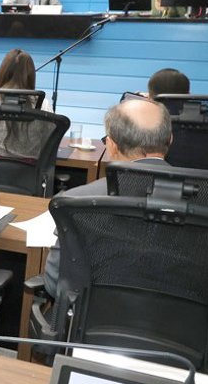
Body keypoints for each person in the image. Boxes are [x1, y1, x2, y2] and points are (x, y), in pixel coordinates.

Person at [42, 99, 172, 297]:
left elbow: (55, 284)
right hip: (181, 325)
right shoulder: (205, 201)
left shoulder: (76, 201)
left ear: (111, 146)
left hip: (92, 324)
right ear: (170, 139)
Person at [0, 48, 54, 160]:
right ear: (30, 75)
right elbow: (49, 142)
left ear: (2, 72)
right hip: (29, 173)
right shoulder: (43, 105)